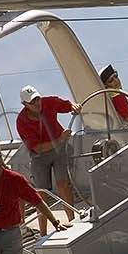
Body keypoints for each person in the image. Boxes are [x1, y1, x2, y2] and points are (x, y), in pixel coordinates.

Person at [16, 86, 81, 222]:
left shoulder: (49, 102)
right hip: (39, 156)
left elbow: (66, 105)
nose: (37, 103)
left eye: (37, 99)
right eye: (32, 102)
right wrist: (59, 140)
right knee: (41, 192)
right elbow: (37, 148)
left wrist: (74, 106)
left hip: (60, 150)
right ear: (25, 105)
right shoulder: (21, 121)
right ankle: (43, 233)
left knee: (63, 184)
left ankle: (72, 220)